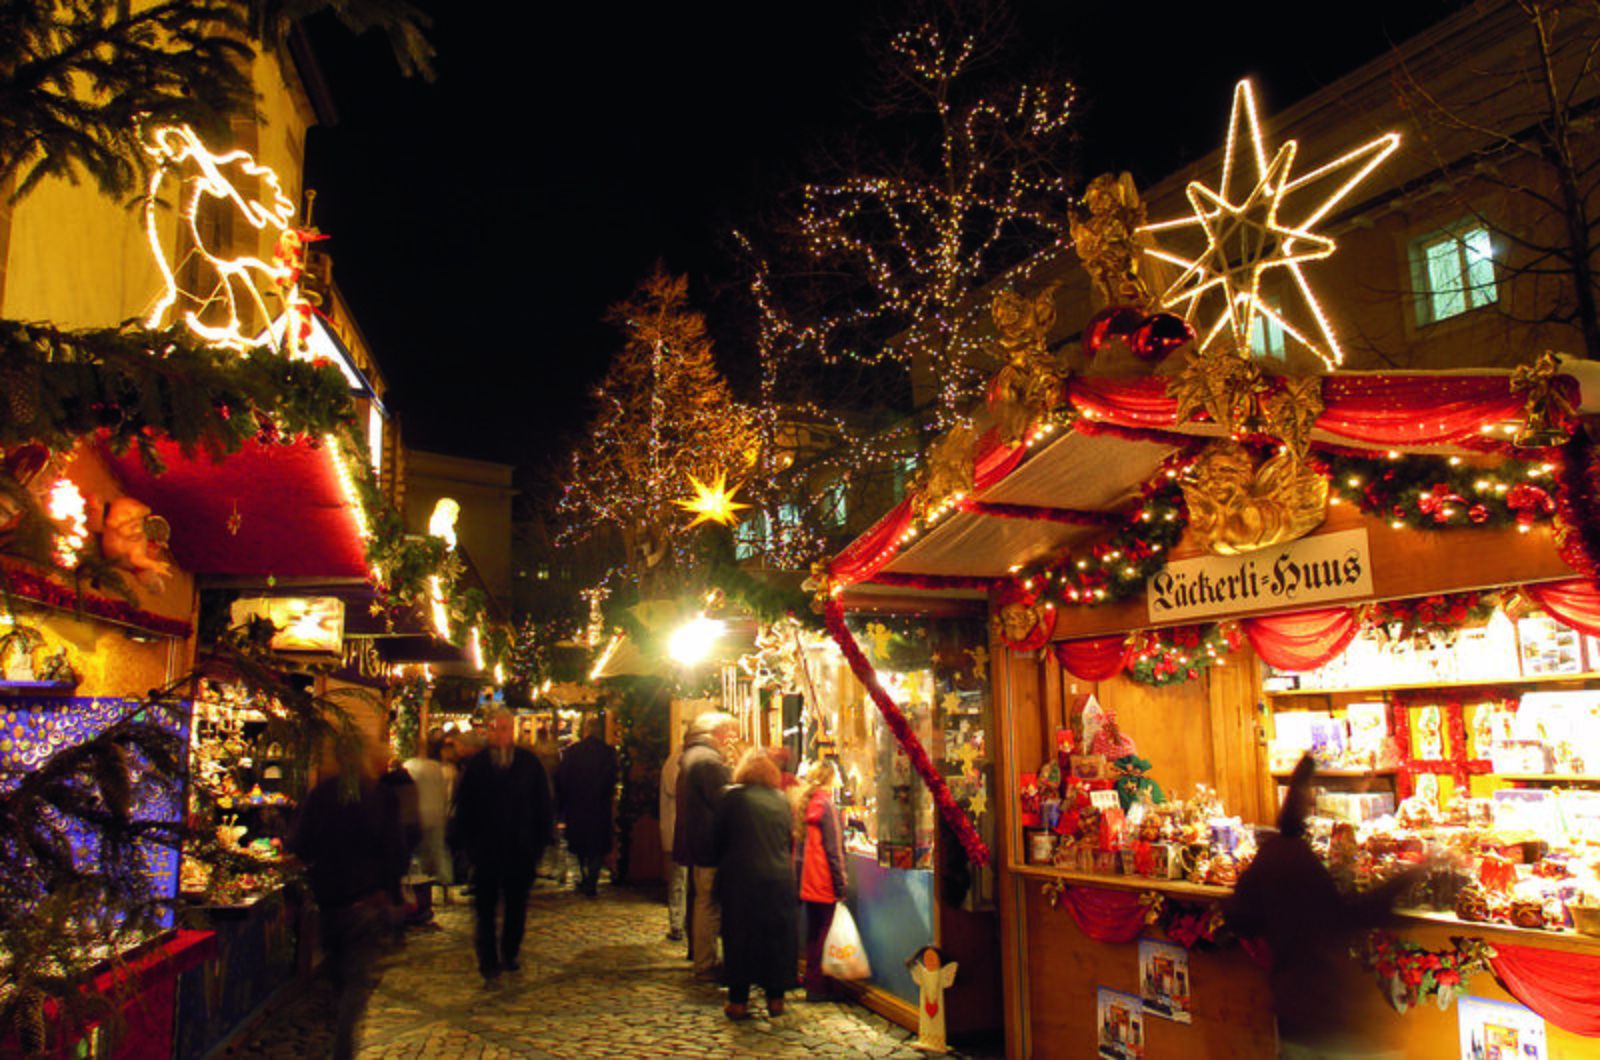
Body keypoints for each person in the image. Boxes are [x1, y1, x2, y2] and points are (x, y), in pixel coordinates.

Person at [1226, 753, 1426, 1057]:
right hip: (1324, 1007)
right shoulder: (1300, 860)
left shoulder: (1273, 855)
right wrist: (1410, 878)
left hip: (1293, 1005)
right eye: (1310, 797)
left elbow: (1240, 916)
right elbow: (1346, 916)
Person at [286, 739, 407, 1060]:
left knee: (339, 976)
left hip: (330, 901)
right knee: (355, 981)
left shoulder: (321, 795)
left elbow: (299, 844)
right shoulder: (379, 796)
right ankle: (341, 1048)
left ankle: (330, 1040)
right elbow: (395, 852)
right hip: (366, 901)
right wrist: (391, 893)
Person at [449, 709, 554, 982]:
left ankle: (510, 952)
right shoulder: (478, 765)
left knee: (516, 905)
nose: (499, 734)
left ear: (513, 731)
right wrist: (465, 843)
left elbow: (542, 804)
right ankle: (487, 959)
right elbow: (464, 805)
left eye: (504, 728)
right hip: (485, 849)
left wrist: (540, 842)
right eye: (495, 728)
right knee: (484, 908)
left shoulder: (529, 764)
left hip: (520, 849)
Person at [713, 748, 798, 1020]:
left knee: (740, 938)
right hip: (778, 878)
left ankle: (738, 1000)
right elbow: (788, 839)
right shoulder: (782, 800)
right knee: (776, 938)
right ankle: (776, 999)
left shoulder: (732, 797)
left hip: (741, 879)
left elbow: (717, 838)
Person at [673, 711, 738, 979]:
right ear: (719, 734)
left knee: (703, 901)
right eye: (731, 733)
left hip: (697, 841)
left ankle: (702, 957)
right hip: (710, 844)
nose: (733, 739)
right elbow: (726, 802)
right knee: (708, 903)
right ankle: (706, 962)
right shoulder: (708, 762)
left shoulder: (693, 757)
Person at [793, 758, 847, 1001]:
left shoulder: (807, 804)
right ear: (830, 778)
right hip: (823, 877)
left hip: (807, 878)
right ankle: (819, 985)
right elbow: (834, 849)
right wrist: (841, 883)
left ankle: (811, 979)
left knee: (813, 932)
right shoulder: (827, 807)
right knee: (824, 931)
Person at [555, 715, 618, 897]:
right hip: (599, 806)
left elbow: (563, 780)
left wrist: (563, 805)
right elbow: (611, 780)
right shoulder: (607, 753)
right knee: (597, 846)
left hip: (578, 806)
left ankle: (585, 877)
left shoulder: (573, 752)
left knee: (581, 845)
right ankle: (592, 879)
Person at [404, 732, 453, 902]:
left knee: (418, 854)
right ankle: (446, 887)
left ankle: (421, 892)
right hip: (436, 814)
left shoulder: (409, 766)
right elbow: (442, 791)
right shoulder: (435, 767)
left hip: (418, 814)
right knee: (438, 851)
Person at [658, 721, 692, 942]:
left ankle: (681, 923)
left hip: (681, 830)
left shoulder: (683, 759)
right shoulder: (677, 761)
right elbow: (674, 788)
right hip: (677, 830)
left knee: (682, 880)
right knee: (679, 880)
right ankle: (677, 923)